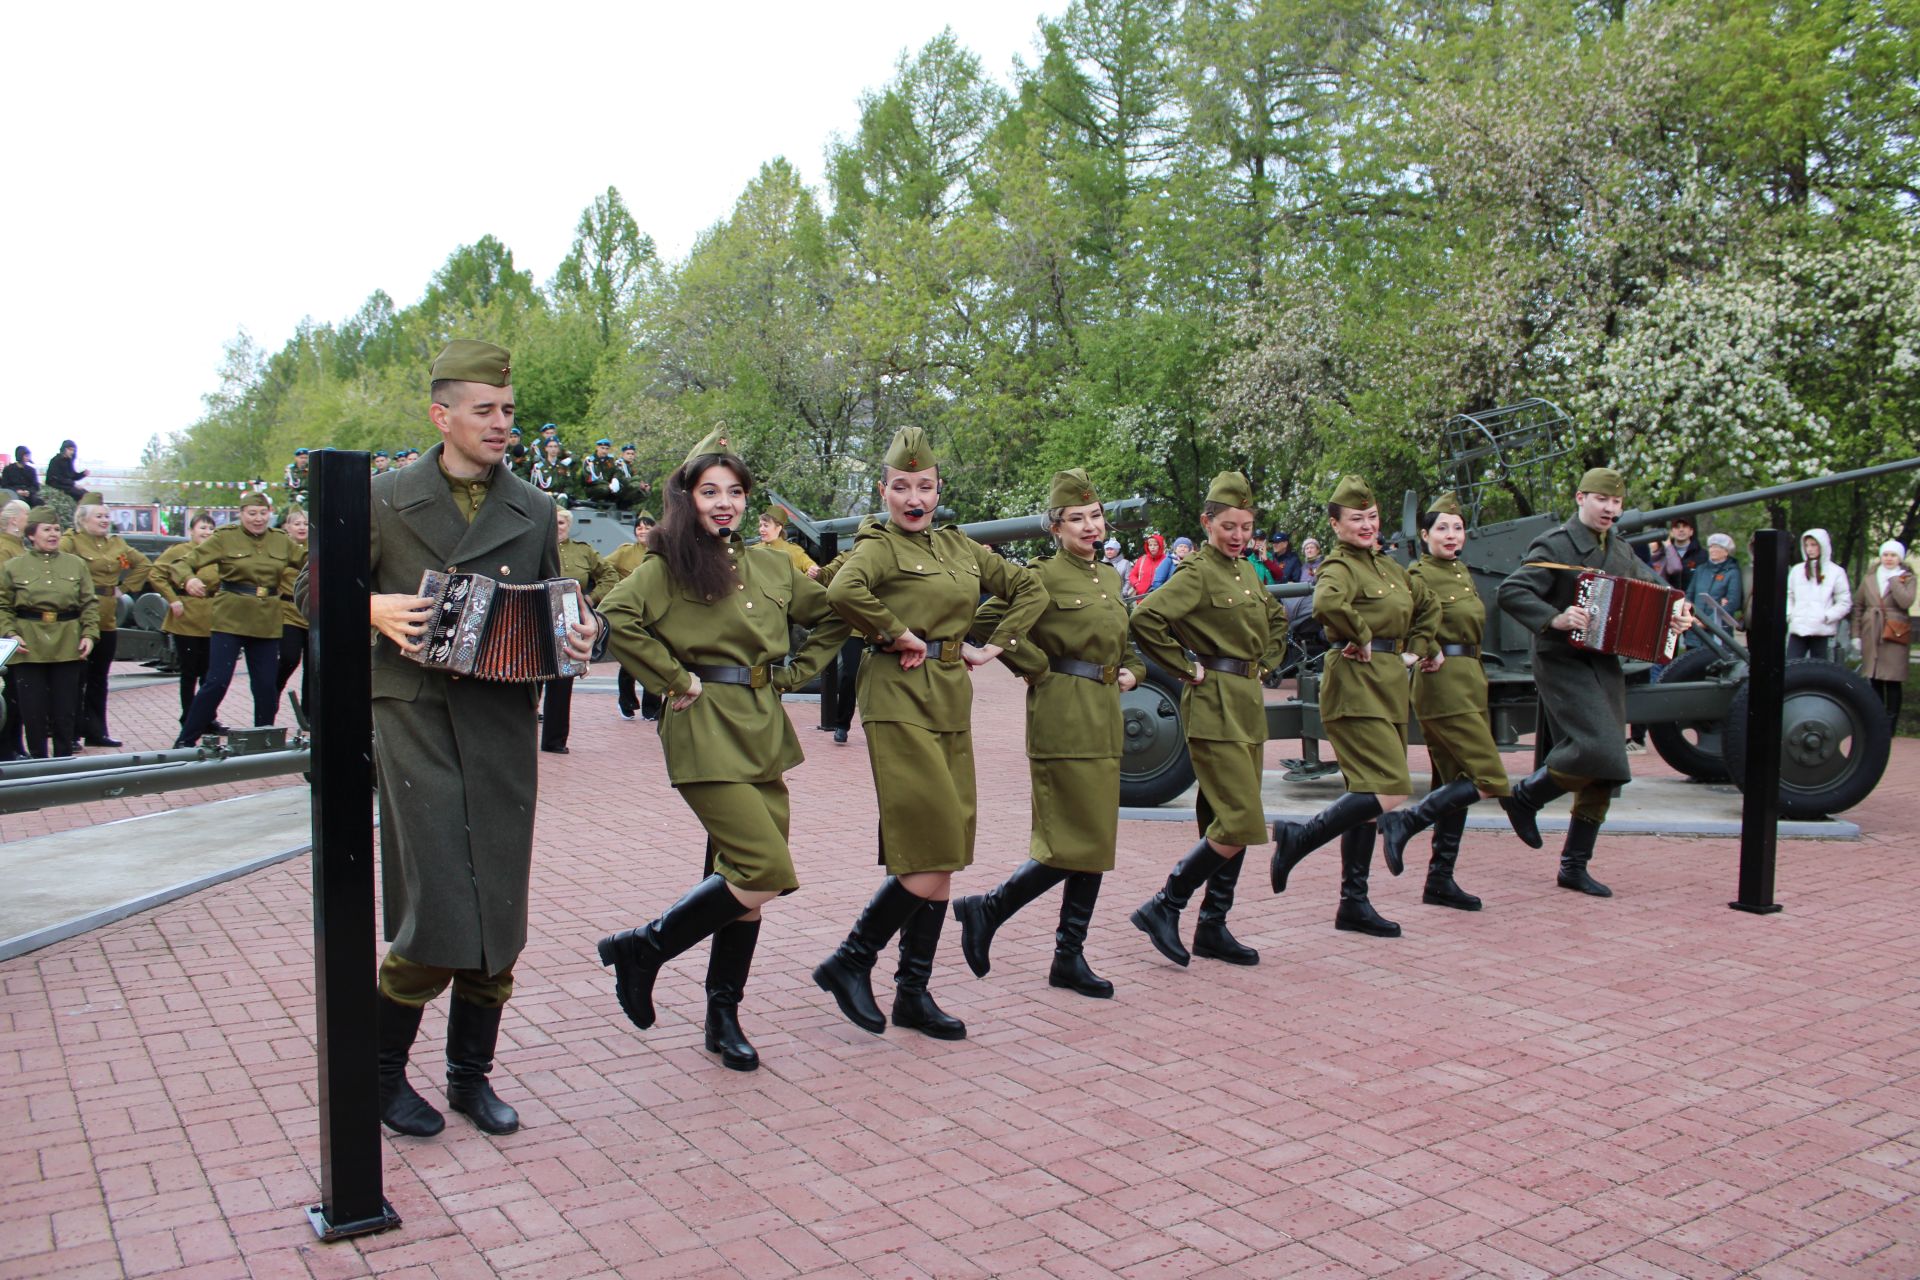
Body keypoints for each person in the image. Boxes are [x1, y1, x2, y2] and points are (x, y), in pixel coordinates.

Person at [331, 340, 599, 1138]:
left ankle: (468, 1077)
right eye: (484, 410)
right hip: (413, 712)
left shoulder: (528, 504)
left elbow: (558, 604)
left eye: (509, 411)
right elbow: (312, 592)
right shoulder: (382, 498)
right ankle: (378, 1077)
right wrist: (370, 607)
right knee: (444, 906)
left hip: (501, 719)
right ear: (440, 415)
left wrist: (585, 634)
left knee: (501, 908)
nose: (501, 424)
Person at [595, 429, 847, 1070]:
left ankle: (722, 1015)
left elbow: (836, 614)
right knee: (762, 869)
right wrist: (673, 679)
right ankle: (644, 947)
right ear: (687, 497)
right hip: (703, 723)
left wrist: (796, 673)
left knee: (742, 881)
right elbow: (617, 615)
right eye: (711, 491)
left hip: (762, 725)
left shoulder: (770, 565)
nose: (725, 503)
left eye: (735, 491)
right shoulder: (667, 566)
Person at [813, 426, 1045, 1040]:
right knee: (932, 840)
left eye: (925, 486)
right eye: (901, 486)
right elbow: (842, 589)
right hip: (897, 693)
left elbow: (1028, 587)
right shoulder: (879, 546)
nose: (914, 497)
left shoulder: (960, 545)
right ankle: (851, 959)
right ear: (883, 490)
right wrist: (896, 631)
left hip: (949, 693)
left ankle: (912, 991)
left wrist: (993, 645)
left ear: (939, 489)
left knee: (947, 849)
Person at [954, 470, 1143, 997]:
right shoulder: (1040, 577)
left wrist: (1134, 670)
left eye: (1095, 515)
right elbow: (988, 620)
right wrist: (1037, 668)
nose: (1089, 525)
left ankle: (1067, 955)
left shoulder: (1108, 578)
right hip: (1062, 717)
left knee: (1096, 840)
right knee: (1068, 841)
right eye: (1076, 519)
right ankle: (989, 909)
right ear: (1055, 529)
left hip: (1104, 718)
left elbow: (1120, 641)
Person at [1496, 467, 1693, 898]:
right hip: (1561, 660)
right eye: (1602, 500)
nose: (1610, 509)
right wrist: (1556, 617)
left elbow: (1657, 587)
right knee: (1600, 748)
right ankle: (1525, 798)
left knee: (1607, 771)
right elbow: (1512, 592)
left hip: (1603, 661)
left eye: (1617, 503)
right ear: (1580, 498)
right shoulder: (1555, 544)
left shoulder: (1619, 550)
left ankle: (1574, 866)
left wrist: (1678, 609)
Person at [1266, 477, 1444, 937]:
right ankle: (1297, 838)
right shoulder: (1338, 566)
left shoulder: (1389, 567)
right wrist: (1361, 635)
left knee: (1366, 794)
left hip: (1388, 686)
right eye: (1356, 519)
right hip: (1355, 684)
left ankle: (1354, 902)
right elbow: (1327, 603)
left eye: (1372, 517)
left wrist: (1418, 647)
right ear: (1335, 524)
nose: (1367, 525)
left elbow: (1428, 606)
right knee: (1390, 789)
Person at [1129, 472, 1287, 964]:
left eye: (1245, 526)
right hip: (1213, 701)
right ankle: (1164, 904)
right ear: (1207, 522)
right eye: (1228, 526)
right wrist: (1184, 666)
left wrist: (1267, 662)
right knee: (1240, 820)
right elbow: (1145, 618)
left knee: (1223, 822)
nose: (1238, 535)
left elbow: (1276, 618)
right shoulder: (1196, 572)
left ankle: (1213, 926)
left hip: (1245, 703)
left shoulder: (1246, 573)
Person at [1400, 493, 1546, 910]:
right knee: (1488, 776)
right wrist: (1425, 647)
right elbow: (1403, 620)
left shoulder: (1461, 572)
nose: (1451, 535)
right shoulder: (1417, 574)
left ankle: (1439, 879)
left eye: (1458, 527)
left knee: (1452, 783)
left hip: (1471, 680)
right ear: (1424, 534)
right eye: (1442, 528)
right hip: (1442, 683)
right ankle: (1406, 822)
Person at [173, 491, 303, 744]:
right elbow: (183, 563)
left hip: (266, 619)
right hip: (230, 617)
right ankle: (186, 739)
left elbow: (310, 561)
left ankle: (264, 739)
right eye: (252, 514)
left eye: (263, 513)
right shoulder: (225, 537)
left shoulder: (280, 541)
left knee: (265, 686)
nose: (258, 519)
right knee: (217, 682)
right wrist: (189, 579)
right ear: (241, 514)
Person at [0, 507, 99, 758]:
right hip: (28, 645)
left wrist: (89, 634)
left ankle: (64, 761)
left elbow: (88, 603)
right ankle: (38, 763)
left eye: (56, 529)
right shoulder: (14, 566)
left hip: (67, 644)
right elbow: (3, 606)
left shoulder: (75, 565)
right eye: (47, 529)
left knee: (65, 710)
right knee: (32, 711)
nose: (53, 534)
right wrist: (11, 634)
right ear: (32, 534)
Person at [61, 493, 152, 747]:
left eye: (106, 516)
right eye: (99, 516)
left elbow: (144, 565)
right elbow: (57, 564)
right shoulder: (72, 541)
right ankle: (70, 733)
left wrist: (124, 588)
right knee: (75, 679)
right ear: (83, 520)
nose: (105, 520)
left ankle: (96, 731)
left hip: (108, 618)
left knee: (99, 678)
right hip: (79, 619)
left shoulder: (116, 543)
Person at [541, 506, 614, 754]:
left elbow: (609, 575)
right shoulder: (538, 546)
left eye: (562, 523)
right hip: (539, 612)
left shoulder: (582, 551)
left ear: (569, 526)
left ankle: (555, 740)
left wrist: (592, 600)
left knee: (564, 679)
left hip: (570, 615)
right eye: (554, 522)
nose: (558, 527)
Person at [152, 512, 218, 733]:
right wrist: (172, 599)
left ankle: (207, 717)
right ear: (191, 530)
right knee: (190, 672)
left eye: (210, 528)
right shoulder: (179, 552)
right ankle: (188, 717)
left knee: (210, 674)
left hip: (213, 619)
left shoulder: (218, 554)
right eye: (202, 528)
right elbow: (156, 574)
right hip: (186, 617)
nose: (207, 532)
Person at [594, 510, 659, 721]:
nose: (643, 531)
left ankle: (652, 707)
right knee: (630, 660)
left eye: (647, 528)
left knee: (656, 658)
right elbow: (604, 568)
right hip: (632, 611)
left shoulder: (662, 552)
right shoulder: (625, 552)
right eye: (639, 528)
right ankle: (627, 702)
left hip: (656, 611)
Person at [1852, 541, 1913, 728]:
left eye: (1893, 555)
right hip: (1871, 630)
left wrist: (1894, 581)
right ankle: (1878, 722)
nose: (1888, 558)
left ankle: (1891, 724)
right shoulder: (1870, 578)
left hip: (1894, 631)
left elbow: (1906, 602)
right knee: (1875, 677)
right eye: (1885, 554)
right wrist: (1856, 634)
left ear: (1899, 558)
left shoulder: (1906, 578)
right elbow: (1858, 607)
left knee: (1892, 679)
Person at [1786, 528, 1850, 661]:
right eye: (1807, 545)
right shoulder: (1797, 570)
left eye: (1814, 545)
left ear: (1823, 545)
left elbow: (1844, 602)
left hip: (1822, 630)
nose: (1810, 549)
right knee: (1791, 668)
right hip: (1798, 628)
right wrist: (1790, 615)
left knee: (1820, 670)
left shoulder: (1836, 572)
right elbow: (1789, 596)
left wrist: (1827, 616)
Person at [273, 507, 310, 714]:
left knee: (314, 667)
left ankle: (309, 713)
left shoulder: (314, 549)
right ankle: (274, 690)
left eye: (305, 523)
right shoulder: (280, 550)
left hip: (311, 614)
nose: (302, 527)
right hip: (287, 612)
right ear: (287, 527)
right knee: (289, 657)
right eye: (297, 523)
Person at [0, 499, 27, 758]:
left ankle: (15, 745)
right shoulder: (5, 550)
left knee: (16, 691)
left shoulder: (18, 548)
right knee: (8, 690)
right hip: (7, 629)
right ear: (14, 521)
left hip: (17, 626)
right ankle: (7, 747)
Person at [1683, 533, 1744, 646]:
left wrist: (1706, 622)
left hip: (1718, 633)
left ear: (1726, 551)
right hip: (1694, 631)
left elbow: (1732, 603)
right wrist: (1691, 616)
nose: (1713, 550)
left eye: (1718, 547)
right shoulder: (1700, 569)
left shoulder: (1732, 573)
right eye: (1711, 546)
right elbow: (1689, 595)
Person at [757, 506, 820, 579]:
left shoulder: (793, 550)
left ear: (778, 528)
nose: (761, 529)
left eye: (766, 525)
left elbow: (813, 568)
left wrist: (813, 572)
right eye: (760, 525)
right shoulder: (752, 550)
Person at [531, 438, 574, 505]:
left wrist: (565, 494)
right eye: (550, 446)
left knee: (562, 501)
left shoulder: (564, 466)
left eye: (555, 446)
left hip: (560, 497)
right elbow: (534, 487)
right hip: (544, 497)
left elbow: (569, 485)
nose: (553, 449)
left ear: (558, 449)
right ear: (546, 448)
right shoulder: (539, 467)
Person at [1125, 532, 1165, 602]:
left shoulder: (1166, 560)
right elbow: (1132, 575)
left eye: (1155, 545)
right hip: (1142, 599)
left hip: (1160, 598)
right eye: (1150, 545)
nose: (1152, 547)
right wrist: (1137, 584)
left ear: (1160, 546)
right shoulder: (1142, 559)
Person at [580, 439, 619, 505]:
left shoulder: (610, 460)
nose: (604, 451)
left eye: (607, 449)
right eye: (602, 448)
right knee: (604, 489)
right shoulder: (590, 460)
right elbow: (590, 479)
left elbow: (616, 471)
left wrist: (615, 479)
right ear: (597, 448)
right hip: (593, 487)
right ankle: (593, 500)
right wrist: (608, 485)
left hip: (608, 486)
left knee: (621, 489)